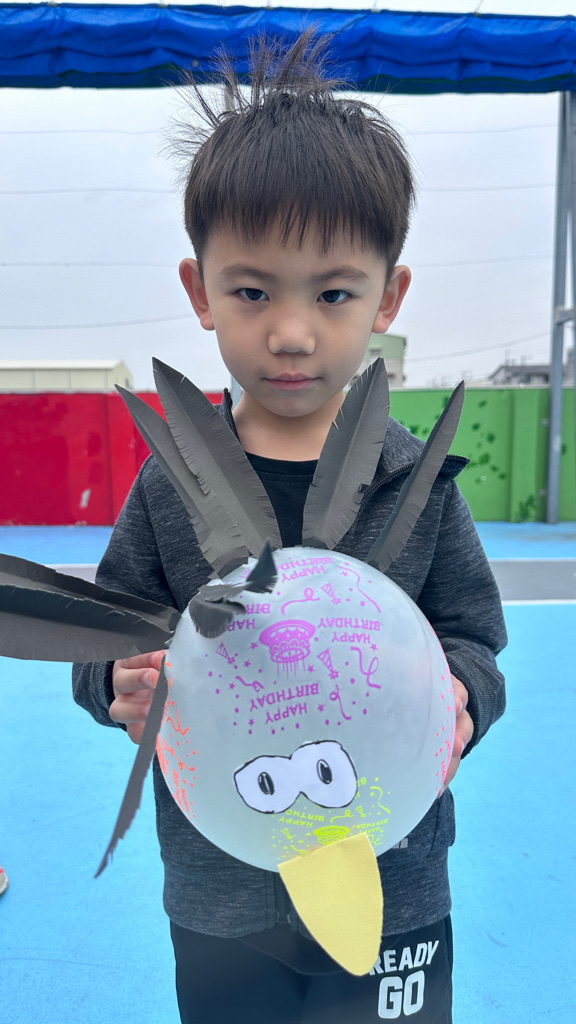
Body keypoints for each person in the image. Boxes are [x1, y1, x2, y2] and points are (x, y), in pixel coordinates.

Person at [73, 33, 506, 1024]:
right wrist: (116, 683)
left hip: (394, 887)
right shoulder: (172, 486)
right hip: (220, 895)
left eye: (334, 292)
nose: (293, 331)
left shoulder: (416, 481)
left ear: (388, 297)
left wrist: (462, 698)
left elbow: (474, 638)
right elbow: (104, 640)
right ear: (201, 292)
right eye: (253, 290)